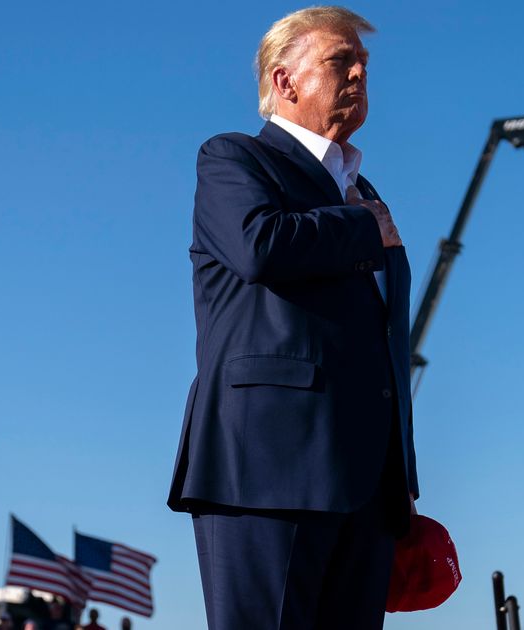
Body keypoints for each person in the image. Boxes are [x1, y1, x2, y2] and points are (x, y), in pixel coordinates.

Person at [165, 5, 419, 629]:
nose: (359, 74)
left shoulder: (366, 192)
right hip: (265, 470)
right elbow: (260, 246)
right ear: (285, 82)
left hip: (366, 485)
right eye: (341, 61)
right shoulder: (234, 159)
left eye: (364, 65)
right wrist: (361, 226)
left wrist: (401, 476)